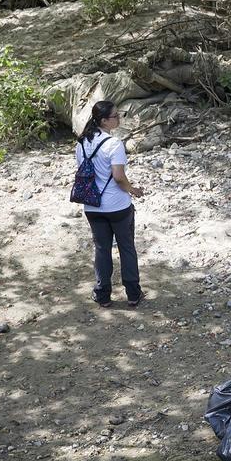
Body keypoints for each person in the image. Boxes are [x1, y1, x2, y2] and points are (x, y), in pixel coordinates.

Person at [75, 100, 145, 307]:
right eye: (116, 116)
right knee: (126, 248)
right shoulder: (114, 144)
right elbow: (118, 177)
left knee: (102, 249)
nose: (119, 119)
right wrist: (133, 190)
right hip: (117, 206)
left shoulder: (81, 143)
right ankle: (133, 294)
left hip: (92, 206)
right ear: (104, 121)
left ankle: (102, 294)